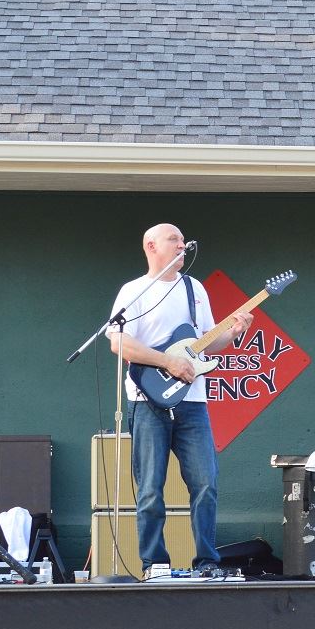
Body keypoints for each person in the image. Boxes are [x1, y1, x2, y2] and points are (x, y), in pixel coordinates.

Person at [108, 224, 252, 574]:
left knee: (206, 483)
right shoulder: (134, 290)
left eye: (183, 239)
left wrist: (232, 334)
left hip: (193, 402)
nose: (182, 244)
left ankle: (206, 562)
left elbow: (204, 342)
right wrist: (167, 361)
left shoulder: (194, 288)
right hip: (147, 399)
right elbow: (119, 342)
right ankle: (154, 564)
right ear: (151, 245)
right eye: (174, 239)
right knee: (150, 489)